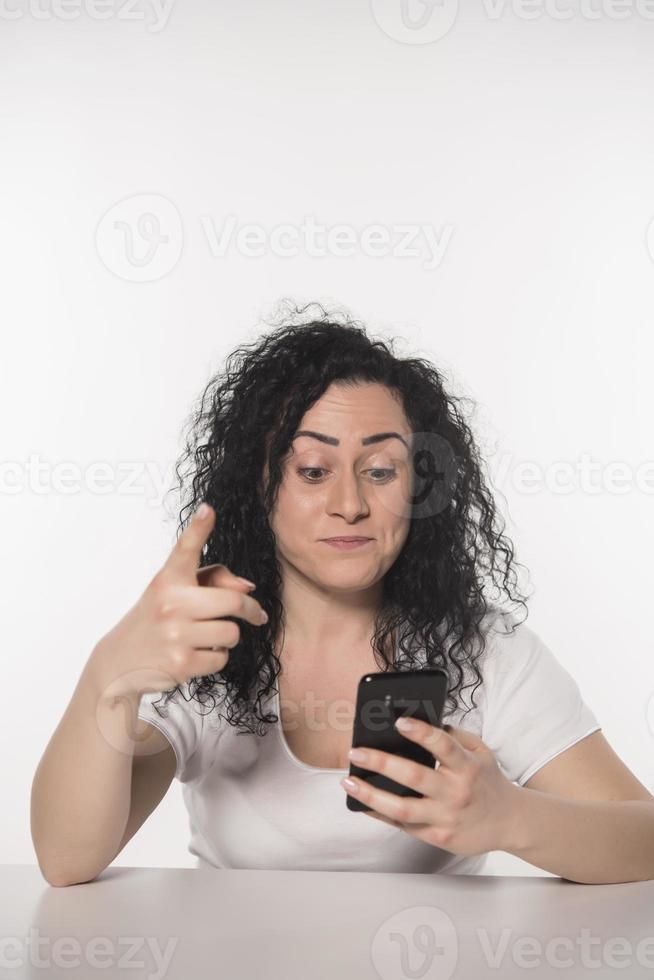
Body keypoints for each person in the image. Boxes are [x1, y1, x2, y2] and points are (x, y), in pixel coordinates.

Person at [32, 302, 620, 885]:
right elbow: (67, 860)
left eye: (381, 471)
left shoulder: (486, 649)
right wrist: (110, 677)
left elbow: (642, 837)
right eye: (314, 470)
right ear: (259, 485)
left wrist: (512, 818)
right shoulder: (203, 638)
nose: (351, 504)